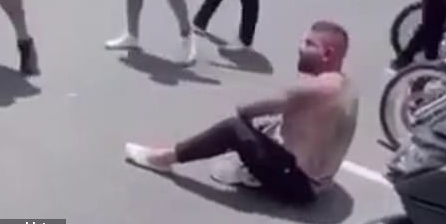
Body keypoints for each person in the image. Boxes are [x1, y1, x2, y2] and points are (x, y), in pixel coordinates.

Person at [124, 20, 359, 206]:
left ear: (327, 54)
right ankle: (257, 169)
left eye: (308, 44)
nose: (300, 48)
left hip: (300, 187)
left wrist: (253, 125)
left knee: (233, 128)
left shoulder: (314, 88)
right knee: (271, 125)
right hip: (321, 181)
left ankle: (164, 158)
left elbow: (246, 108)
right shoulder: (345, 86)